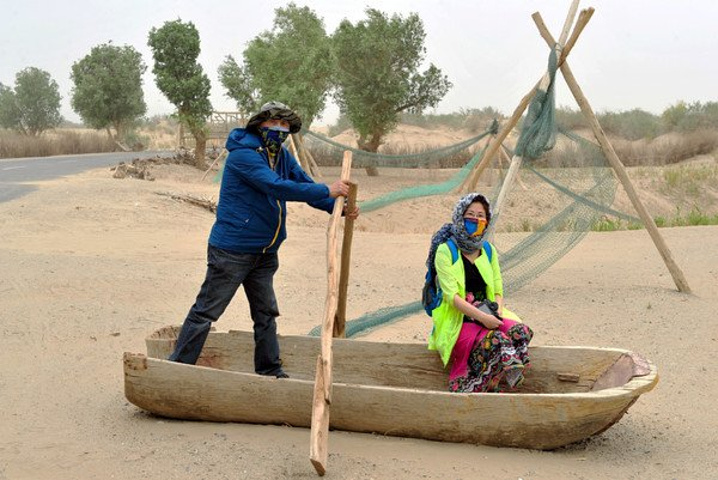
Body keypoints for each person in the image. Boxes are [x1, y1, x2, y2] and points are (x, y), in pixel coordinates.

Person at [168, 101, 359, 378]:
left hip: (265, 251)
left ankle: (270, 371)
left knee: (266, 314)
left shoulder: (280, 155)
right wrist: (327, 190)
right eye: (274, 123)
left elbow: (303, 185)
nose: (280, 129)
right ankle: (177, 369)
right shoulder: (243, 156)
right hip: (233, 250)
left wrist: (337, 208)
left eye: (284, 125)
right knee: (207, 311)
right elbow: (275, 186)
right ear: (259, 125)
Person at [426, 193, 533, 392]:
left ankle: (495, 377)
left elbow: (498, 289)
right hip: (461, 319)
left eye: (481, 216)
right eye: (470, 215)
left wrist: (498, 312)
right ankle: (476, 382)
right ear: (460, 217)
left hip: (490, 314)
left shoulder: (488, 250)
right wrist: (482, 318)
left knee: (521, 331)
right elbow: (451, 297)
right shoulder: (445, 251)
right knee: (498, 340)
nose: (476, 220)